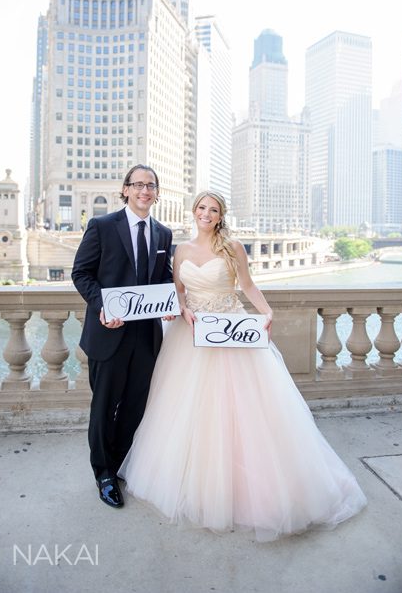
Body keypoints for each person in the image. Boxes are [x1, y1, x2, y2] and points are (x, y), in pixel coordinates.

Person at [119, 191, 367, 540]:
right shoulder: (182, 250)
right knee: (192, 410)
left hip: (231, 331)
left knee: (244, 409)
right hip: (191, 335)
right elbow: (177, 290)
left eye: (214, 209)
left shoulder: (232, 247)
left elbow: (247, 285)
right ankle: (202, 483)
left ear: (221, 215)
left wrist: (266, 312)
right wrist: (185, 309)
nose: (206, 214)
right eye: (202, 208)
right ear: (194, 212)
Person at [72, 165, 173, 509]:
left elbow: (163, 276)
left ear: (157, 193)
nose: (145, 190)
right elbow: (81, 273)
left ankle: (119, 463)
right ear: (126, 189)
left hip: (146, 336)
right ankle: (103, 473)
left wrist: (170, 300)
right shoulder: (102, 226)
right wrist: (103, 306)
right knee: (104, 407)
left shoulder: (163, 233)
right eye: (139, 184)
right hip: (109, 333)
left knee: (134, 406)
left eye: (151, 185)